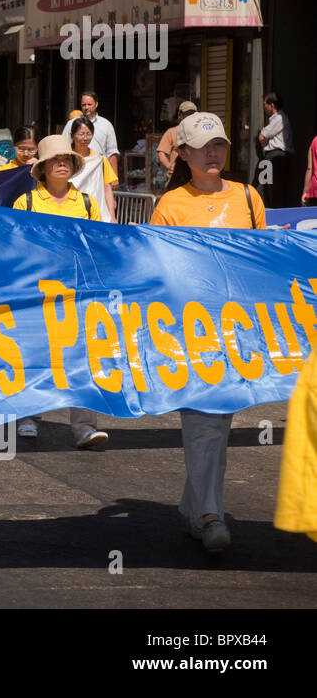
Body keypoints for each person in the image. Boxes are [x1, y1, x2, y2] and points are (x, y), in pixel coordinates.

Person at [151, 112, 266, 553]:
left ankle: (193, 504)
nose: (212, 152)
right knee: (204, 421)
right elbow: (157, 271)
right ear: (182, 153)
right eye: (201, 146)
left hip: (239, 327)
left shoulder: (247, 195)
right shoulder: (170, 205)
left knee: (219, 422)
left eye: (218, 143)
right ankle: (210, 515)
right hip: (190, 329)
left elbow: (264, 257)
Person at [10, 135, 107, 448]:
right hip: (37, 293)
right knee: (35, 355)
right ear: (43, 167)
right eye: (55, 160)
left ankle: (85, 427)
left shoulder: (88, 203)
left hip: (78, 293)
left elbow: (98, 247)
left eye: (66, 159)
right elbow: (15, 248)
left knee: (83, 357)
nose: (62, 164)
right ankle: (28, 416)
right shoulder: (24, 203)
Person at [70, 117, 117, 220]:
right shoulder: (66, 158)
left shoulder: (99, 159)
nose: (85, 138)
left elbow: (107, 188)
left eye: (88, 134)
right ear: (72, 135)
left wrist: (112, 217)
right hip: (70, 211)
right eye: (81, 134)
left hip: (96, 213)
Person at [63, 90, 119, 174]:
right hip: (77, 170)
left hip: (99, 170)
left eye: (89, 104)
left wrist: (114, 175)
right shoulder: (71, 124)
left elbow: (112, 152)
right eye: (84, 105)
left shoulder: (106, 125)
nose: (86, 107)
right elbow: (64, 147)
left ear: (96, 104)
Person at [256, 92, 293, 209]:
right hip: (271, 156)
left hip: (275, 156)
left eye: (265, 104)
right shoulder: (274, 119)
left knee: (270, 186)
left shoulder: (279, 118)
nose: (264, 107)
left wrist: (265, 139)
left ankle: (271, 210)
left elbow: (262, 137)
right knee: (265, 184)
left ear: (271, 105)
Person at [157, 101, 197, 188]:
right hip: (176, 177)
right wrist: (169, 166)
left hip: (196, 177)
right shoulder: (171, 132)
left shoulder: (199, 132)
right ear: (180, 115)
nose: (189, 117)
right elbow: (161, 153)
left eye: (192, 114)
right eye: (187, 114)